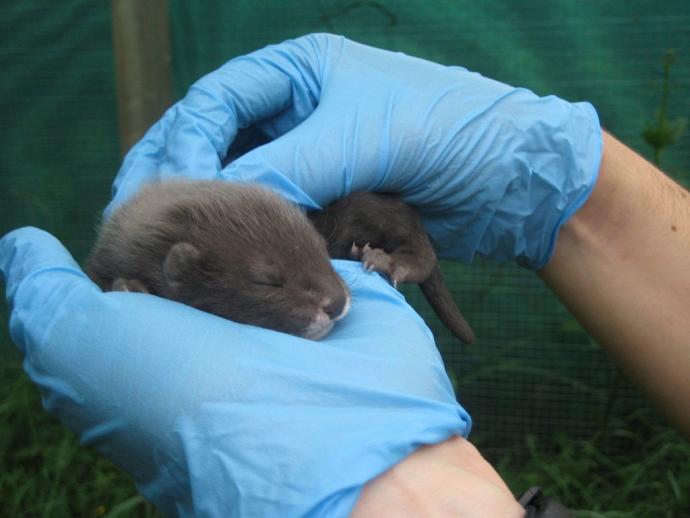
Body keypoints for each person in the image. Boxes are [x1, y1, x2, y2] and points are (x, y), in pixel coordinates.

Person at [1, 34, 688, 517]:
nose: (335, 296)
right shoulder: (165, 261)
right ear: (181, 271)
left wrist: (555, 166)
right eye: (279, 282)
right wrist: (593, 204)